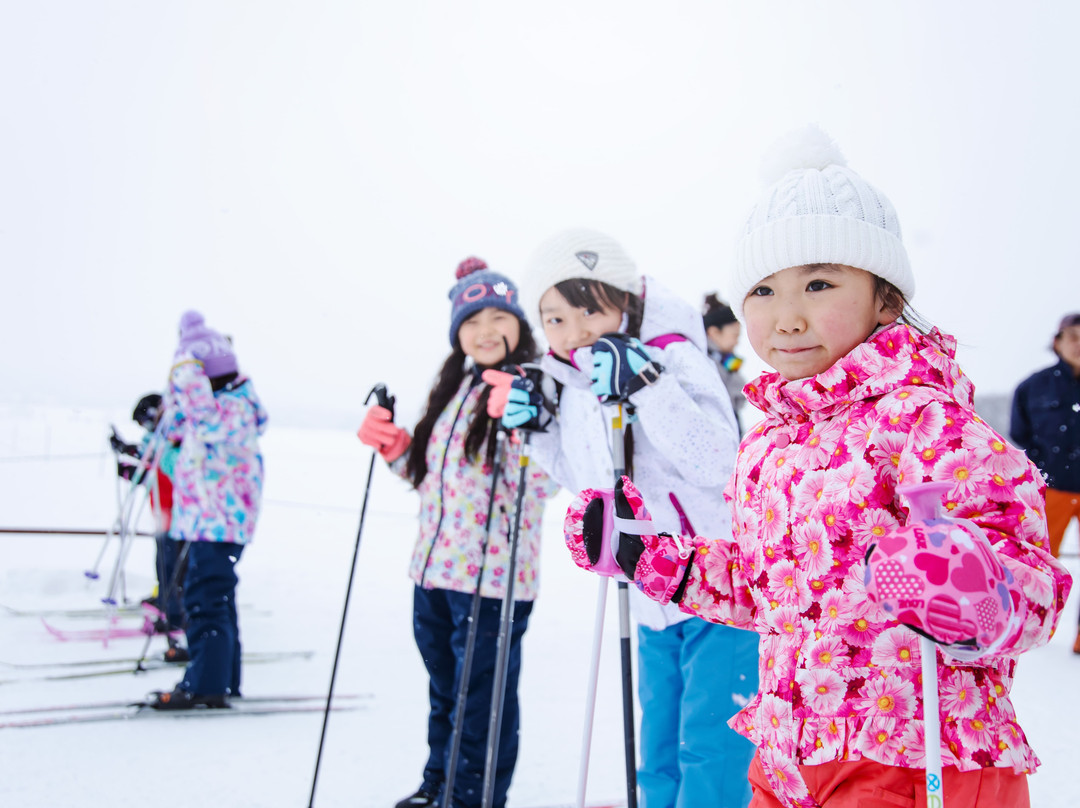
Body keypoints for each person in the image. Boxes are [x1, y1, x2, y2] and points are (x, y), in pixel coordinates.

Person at [562, 128, 1072, 808]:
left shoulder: (926, 421)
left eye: (819, 283)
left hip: (916, 755)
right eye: (764, 291)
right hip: (789, 754)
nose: (788, 316)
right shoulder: (769, 443)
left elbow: (1034, 593)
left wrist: (969, 585)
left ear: (885, 299)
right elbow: (767, 588)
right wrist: (654, 557)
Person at [492, 229, 758, 808]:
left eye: (590, 308)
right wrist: (540, 432)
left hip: (714, 584)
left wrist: (646, 385)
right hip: (645, 592)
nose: (577, 330)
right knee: (656, 750)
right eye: (556, 319)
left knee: (711, 749)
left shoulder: (672, 352)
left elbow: (718, 462)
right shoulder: (575, 383)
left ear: (624, 300)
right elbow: (583, 480)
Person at [357, 257, 557, 808]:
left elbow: (544, 483)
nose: (485, 330)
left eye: (498, 316)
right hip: (433, 572)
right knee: (445, 692)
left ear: (518, 323)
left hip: (494, 581)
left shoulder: (535, 385)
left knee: (481, 704)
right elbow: (432, 481)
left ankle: (472, 797)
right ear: (458, 331)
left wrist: (522, 423)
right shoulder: (454, 386)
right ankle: (438, 785)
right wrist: (396, 448)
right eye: (472, 320)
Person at [149, 310, 268, 710]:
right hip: (209, 521)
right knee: (215, 598)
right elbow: (181, 426)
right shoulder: (222, 407)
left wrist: (185, 369)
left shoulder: (228, 410)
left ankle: (206, 682)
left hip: (218, 523)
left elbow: (203, 419)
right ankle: (220, 678)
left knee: (204, 601)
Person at [1011, 312, 1080, 651]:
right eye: (1073, 337)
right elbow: (1019, 435)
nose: (1079, 345)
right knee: (1038, 561)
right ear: (1058, 341)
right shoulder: (1033, 386)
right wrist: (1040, 470)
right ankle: (1031, 631)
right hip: (1050, 490)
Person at [111, 393, 187, 646]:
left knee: (174, 567)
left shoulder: (175, 437)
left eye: (146, 421)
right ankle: (167, 603)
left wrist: (136, 472)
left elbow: (165, 473)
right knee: (164, 564)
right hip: (164, 513)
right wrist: (128, 455)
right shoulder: (161, 438)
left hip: (177, 515)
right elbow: (149, 460)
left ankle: (177, 615)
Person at [703, 293, 749, 435]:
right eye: (734, 335)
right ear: (714, 332)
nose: (737, 341)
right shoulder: (705, 364)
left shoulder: (726, 360)